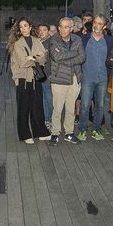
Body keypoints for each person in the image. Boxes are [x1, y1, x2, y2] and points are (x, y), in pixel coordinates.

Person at [8, 18, 52, 145]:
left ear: (30, 26)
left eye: (25, 26)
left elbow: (44, 57)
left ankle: (41, 132)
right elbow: (23, 62)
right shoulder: (17, 44)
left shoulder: (36, 41)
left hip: (36, 79)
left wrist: (31, 57)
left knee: (37, 106)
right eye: (21, 27)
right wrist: (35, 57)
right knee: (23, 108)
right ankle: (25, 134)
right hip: (23, 79)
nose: (23, 29)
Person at [46, 17, 86, 145]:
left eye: (67, 27)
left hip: (74, 79)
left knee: (70, 109)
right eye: (61, 26)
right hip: (58, 79)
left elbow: (82, 57)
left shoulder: (77, 39)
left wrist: (67, 59)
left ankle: (69, 133)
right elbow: (56, 57)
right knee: (57, 108)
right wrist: (73, 53)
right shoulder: (53, 40)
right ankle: (55, 133)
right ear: (58, 27)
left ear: (72, 28)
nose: (63, 29)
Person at [77, 15, 112, 141]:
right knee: (85, 105)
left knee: (100, 105)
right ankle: (82, 129)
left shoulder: (108, 40)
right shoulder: (84, 39)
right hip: (87, 77)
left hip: (102, 78)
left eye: (100, 23)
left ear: (104, 26)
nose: (96, 25)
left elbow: (111, 59)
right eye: (95, 23)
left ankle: (97, 129)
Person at [36, 24, 54, 127]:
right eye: (40, 30)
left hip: (47, 75)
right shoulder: (37, 42)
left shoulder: (51, 42)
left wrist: (52, 73)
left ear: (48, 31)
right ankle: (46, 119)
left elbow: (54, 60)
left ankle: (51, 119)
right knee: (43, 97)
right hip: (39, 74)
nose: (42, 32)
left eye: (44, 30)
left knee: (49, 98)